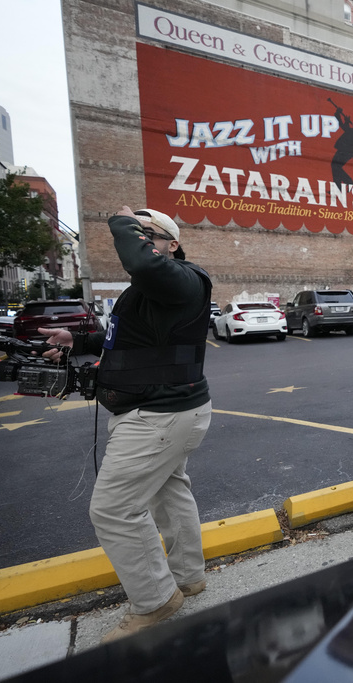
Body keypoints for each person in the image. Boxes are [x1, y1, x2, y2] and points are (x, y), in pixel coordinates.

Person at [41, 206, 213, 642]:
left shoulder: (185, 279)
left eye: (146, 233)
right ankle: (188, 577)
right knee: (169, 493)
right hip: (161, 413)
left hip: (158, 417)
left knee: (113, 510)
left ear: (171, 244)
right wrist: (77, 340)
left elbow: (139, 260)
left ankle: (155, 601)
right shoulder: (150, 294)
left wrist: (122, 222)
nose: (138, 239)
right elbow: (126, 338)